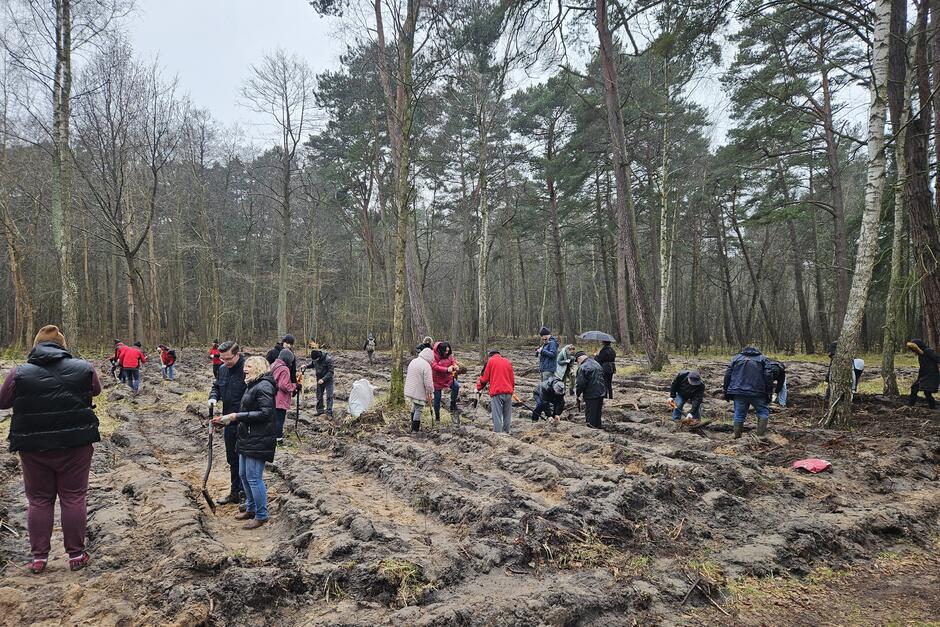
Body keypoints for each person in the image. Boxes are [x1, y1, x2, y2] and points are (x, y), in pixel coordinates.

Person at [0, 325, 101, 574]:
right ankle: (76, 555)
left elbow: (2, 401)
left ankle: (39, 558)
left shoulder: (18, 373)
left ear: (36, 346)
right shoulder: (84, 367)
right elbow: (96, 390)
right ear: (62, 345)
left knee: (39, 500)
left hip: (34, 448)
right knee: (74, 497)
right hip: (76, 444)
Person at [212, 355, 276, 529]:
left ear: (258, 368)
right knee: (244, 476)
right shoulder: (252, 385)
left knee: (254, 478)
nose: (244, 369)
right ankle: (251, 508)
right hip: (247, 437)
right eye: (245, 366)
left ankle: (261, 515)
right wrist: (229, 419)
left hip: (259, 438)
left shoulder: (263, 386)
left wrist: (236, 416)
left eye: (248, 366)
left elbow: (266, 413)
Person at [208, 341, 247, 506]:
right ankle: (235, 493)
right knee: (232, 459)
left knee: (245, 460)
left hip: (245, 422)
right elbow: (216, 386)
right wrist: (213, 397)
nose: (225, 362)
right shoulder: (223, 370)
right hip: (228, 423)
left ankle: (246, 496)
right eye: (222, 359)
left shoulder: (248, 370)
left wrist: (236, 416)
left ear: (237, 354)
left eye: (228, 359)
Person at [723, 346, 773, 439]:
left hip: (739, 391)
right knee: (763, 412)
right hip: (758, 392)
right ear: (757, 351)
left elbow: (727, 375)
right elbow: (768, 375)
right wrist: (769, 392)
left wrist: (726, 391)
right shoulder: (763, 359)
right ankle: (760, 436)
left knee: (739, 414)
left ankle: (737, 437)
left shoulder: (736, 358)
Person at [477, 349, 515, 433]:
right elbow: (512, 379)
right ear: (499, 354)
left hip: (497, 392)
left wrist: (478, 388)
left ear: (490, 356)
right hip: (508, 392)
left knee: (496, 415)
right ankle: (506, 432)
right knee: (507, 415)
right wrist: (511, 390)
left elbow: (484, 379)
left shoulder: (491, 361)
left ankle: (498, 434)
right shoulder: (507, 362)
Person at [404, 347, 435, 432]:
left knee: (414, 406)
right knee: (419, 409)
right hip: (419, 390)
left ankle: (412, 424)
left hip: (410, 389)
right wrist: (430, 392)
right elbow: (428, 383)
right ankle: (415, 429)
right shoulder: (426, 365)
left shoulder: (414, 361)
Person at [271, 348, 297, 445]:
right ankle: (279, 440)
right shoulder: (284, 369)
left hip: (272, 396)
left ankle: (272, 437)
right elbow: (284, 385)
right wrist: (295, 386)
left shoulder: (273, 365)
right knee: (279, 420)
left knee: (273, 419)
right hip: (280, 398)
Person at [431, 342, 460, 423]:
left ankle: (453, 403)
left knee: (456, 386)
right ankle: (437, 417)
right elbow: (434, 366)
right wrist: (446, 369)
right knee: (437, 399)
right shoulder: (434, 355)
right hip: (437, 380)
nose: (447, 352)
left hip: (448, 378)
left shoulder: (449, 355)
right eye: (446, 351)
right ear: (441, 350)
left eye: (448, 350)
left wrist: (455, 365)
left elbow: (453, 360)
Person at [575, 351, 606, 428]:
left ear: (579, 359)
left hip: (591, 393)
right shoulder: (596, 363)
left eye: (577, 361)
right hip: (601, 391)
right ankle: (598, 427)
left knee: (590, 413)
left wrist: (578, 394)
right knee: (598, 412)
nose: (578, 363)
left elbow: (580, 383)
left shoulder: (583, 367)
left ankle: (591, 430)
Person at [906, 339, 939, 408]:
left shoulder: (928, 351)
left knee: (925, 391)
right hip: (924, 375)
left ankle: (931, 407)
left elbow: (938, 359)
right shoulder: (921, 355)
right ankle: (911, 406)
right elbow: (923, 367)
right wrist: (919, 378)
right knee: (918, 390)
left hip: (931, 375)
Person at [307, 349, 335, 417]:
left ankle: (329, 413)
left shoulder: (328, 359)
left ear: (319, 357)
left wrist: (323, 379)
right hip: (319, 380)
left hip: (328, 380)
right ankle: (320, 411)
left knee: (329, 396)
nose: (315, 361)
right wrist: (306, 366)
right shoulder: (315, 359)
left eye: (316, 359)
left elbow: (331, 372)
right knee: (319, 396)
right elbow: (312, 364)